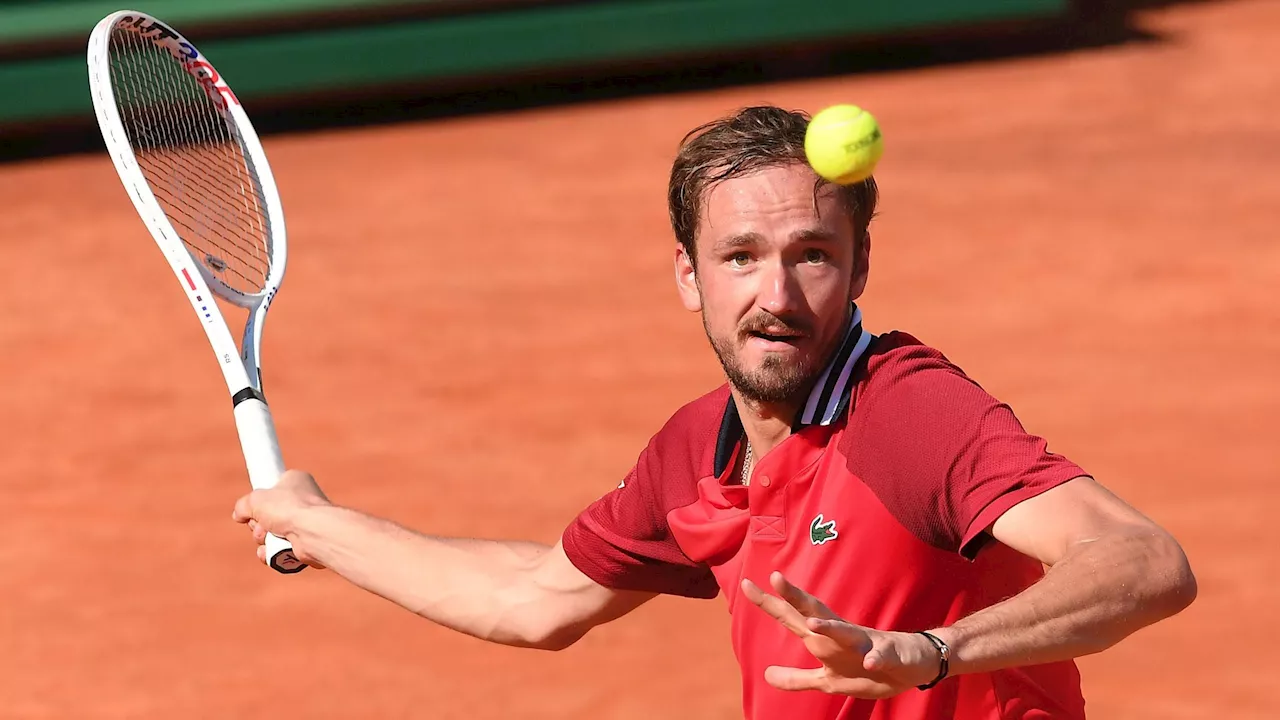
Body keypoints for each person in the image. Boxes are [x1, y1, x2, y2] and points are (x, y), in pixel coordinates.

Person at [233, 105, 1197, 719]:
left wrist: (935, 653)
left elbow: (1145, 561)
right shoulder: (701, 449)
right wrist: (320, 526)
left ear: (860, 267)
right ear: (688, 277)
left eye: (811, 255)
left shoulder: (906, 413)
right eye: (740, 258)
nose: (775, 293)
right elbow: (532, 600)